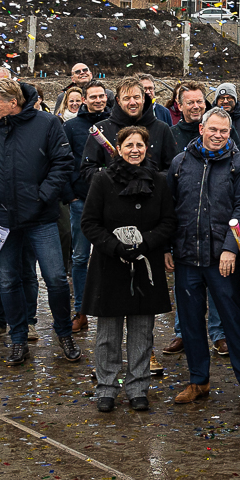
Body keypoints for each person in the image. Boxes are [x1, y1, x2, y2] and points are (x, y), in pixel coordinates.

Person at [0, 77, 80, 366]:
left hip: (40, 216)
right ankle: (17, 340)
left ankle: (64, 333)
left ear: (13, 102)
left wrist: (43, 195)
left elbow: (63, 162)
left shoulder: (47, 123)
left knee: (55, 278)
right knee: (8, 280)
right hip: (0, 219)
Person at [168, 108, 240, 406]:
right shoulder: (180, 163)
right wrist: (168, 248)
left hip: (221, 258)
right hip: (186, 256)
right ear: (201, 129)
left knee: (234, 320)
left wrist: (229, 249)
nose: (218, 135)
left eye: (224, 131)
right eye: (213, 130)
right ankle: (198, 380)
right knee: (191, 321)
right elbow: (170, 208)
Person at [81, 124, 175, 413]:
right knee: (108, 333)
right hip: (110, 265)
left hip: (144, 264)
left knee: (142, 332)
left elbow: (169, 222)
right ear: (118, 149)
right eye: (129, 145)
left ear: (147, 148)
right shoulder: (103, 180)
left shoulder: (158, 181)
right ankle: (106, 387)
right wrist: (114, 246)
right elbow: (89, 223)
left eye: (140, 145)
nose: (135, 150)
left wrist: (146, 243)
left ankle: (138, 387)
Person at [62, 81, 111, 334]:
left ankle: (109, 307)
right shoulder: (71, 127)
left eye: (102, 96)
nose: (98, 100)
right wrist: (70, 196)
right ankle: (81, 311)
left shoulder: (113, 124)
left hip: (110, 201)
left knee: (110, 256)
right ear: (84, 100)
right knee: (80, 257)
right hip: (81, 200)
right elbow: (65, 161)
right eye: (93, 97)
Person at [170, 80, 210, 145]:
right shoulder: (171, 135)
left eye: (199, 102)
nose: (196, 106)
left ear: (205, 104)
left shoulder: (214, 133)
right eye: (190, 103)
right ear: (180, 106)